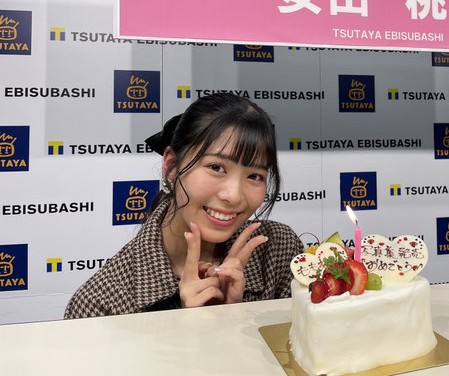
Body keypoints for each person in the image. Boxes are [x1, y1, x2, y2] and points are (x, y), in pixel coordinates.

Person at [64, 92, 303, 318]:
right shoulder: (100, 304)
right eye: (216, 167)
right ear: (171, 166)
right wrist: (187, 329)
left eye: (254, 176)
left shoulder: (278, 251)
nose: (233, 195)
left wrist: (233, 317)